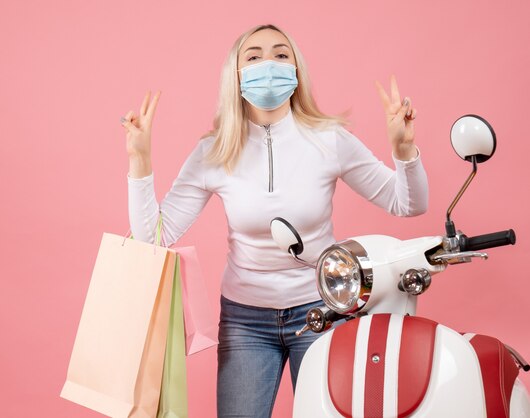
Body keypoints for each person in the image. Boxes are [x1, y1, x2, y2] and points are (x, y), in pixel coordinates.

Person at [121, 23, 427, 418]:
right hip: (245, 320)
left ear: (296, 71)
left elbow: (409, 204)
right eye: (254, 56)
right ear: (237, 75)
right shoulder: (213, 150)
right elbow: (153, 238)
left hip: (324, 310)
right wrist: (139, 161)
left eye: (281, 55)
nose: (269, 63)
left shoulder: (328, 139)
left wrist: (404, 150)